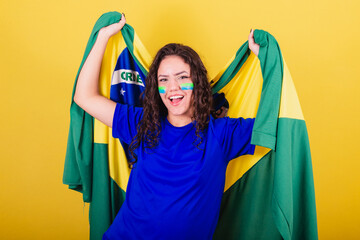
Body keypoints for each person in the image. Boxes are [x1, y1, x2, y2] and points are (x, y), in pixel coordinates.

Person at [74, 14, 260, 240]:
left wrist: (265, 60)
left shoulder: (223, 134)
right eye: (163, 80)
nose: (173, 88)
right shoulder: (142, 123)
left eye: (182, 77)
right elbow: (84, 97)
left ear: (197, 83)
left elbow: (279, 124)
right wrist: (103, 37)